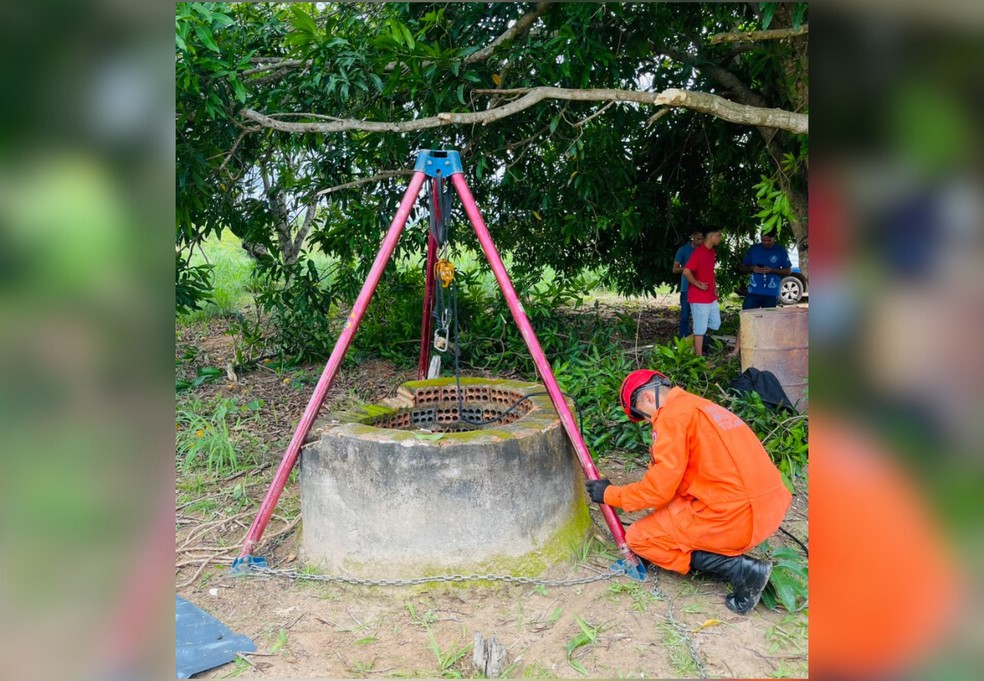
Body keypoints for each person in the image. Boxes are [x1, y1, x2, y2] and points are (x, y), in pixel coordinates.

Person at [585, 369, 792, 614]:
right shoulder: (703, 406)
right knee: (666, 514)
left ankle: (739, 569)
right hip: (768, 511)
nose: (649, 422)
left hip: (735, 519)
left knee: (640, 537)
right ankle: (725, 553)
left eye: (643, 415)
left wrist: (609, 494)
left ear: (649, 399)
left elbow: (658, 490)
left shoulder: (670, 417)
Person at [729, 231, 793, 356]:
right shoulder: (754, 249)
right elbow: (743, 268)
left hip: (770, 293)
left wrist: (772, 270)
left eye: (769, 241)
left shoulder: (780, 250)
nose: (766, 243)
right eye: (763, 240)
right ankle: (736, 350)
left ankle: (766, 351)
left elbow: (788, 271)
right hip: (753, 291)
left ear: (774, 238)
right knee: (745, 319)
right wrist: (752, 268)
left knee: (768, 322)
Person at [682, 227, 721, 357]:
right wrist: (698, 284)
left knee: (716, 323)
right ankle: (699, 358)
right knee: (700, 329)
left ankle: (686, 341)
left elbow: (709, 272)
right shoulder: (699, 252)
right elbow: (686, 272)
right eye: (719, 236)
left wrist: (714, 288)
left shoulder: (712, 252)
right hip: (699, 298)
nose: (720, 238)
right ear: (711, 237)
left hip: (710, 296)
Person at [672, 230, 703, 339]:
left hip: (700, 288)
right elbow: (675, 269)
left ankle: (699, 340)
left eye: (702, 239)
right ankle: (683, 339)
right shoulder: (683, 250)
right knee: (685, 315)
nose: (700, 241)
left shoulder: (703, 251)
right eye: (698, 238)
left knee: (699, 317)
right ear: (693, 237)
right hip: (687, 288)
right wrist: (688, 268)